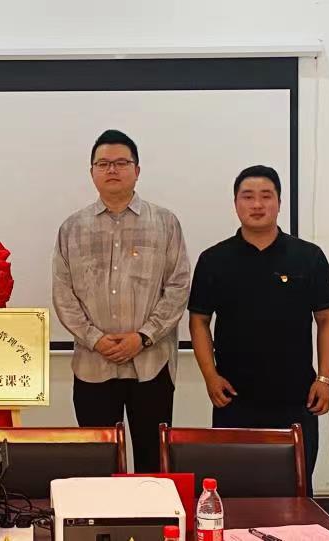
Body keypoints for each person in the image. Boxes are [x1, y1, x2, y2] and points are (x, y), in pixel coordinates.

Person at [188, 165, 329, 494]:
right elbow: (198, 321)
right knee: (235, 491)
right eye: (248, 197)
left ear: (279, 203)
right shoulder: (214, 259)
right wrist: (210, 376)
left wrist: (324, 379)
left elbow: (327, 319)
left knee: (296, 492)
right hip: (233, 399)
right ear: (235, 204)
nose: (257, 204)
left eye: (266, 196)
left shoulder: (308, 257)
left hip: (296, 398)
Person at [52, 129, 191, 472]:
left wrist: (142, 337)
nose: (112, 169)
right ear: (92, 172)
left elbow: (178, 287)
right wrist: (95, 339)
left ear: (137, 170)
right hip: (93, 364)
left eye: (121, 163)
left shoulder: (165, 223)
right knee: (98, 466)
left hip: (152, 364)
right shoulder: (72, 228)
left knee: (153, 466)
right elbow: (63, 294)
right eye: (103, 164)